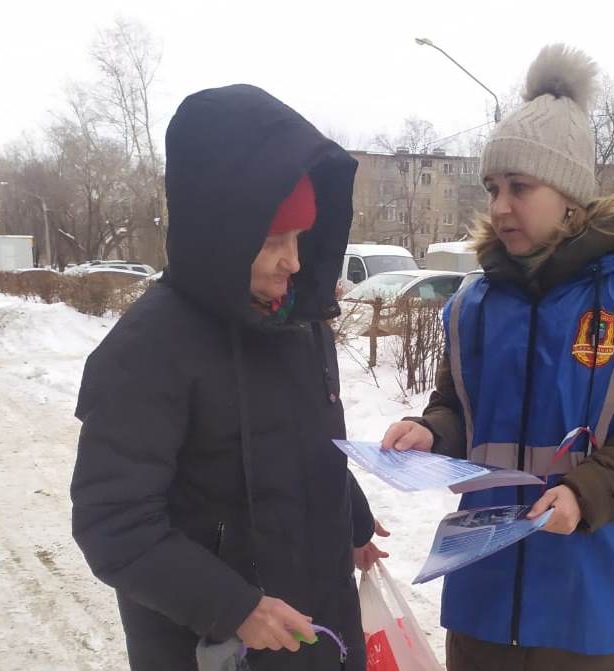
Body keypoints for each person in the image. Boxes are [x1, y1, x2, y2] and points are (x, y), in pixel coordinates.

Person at [382, 45, 614, 670]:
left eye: (520, 187)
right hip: (485, 595)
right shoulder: (473, 304)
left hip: (602, 605)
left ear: (570, 196)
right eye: (493, 188)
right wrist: (430, 431)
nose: (500, 205)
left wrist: (587, 493)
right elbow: (459, 409)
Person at [71, 84, 384, 671]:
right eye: (272, 241)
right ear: (221, 233)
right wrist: (234, 608)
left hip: (320, 635)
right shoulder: (148, 349)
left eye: (300, 238)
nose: (294, 261)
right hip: (214, 648)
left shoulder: (297, 321)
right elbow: (112, 520)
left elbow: (309, 447)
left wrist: (354, 520)